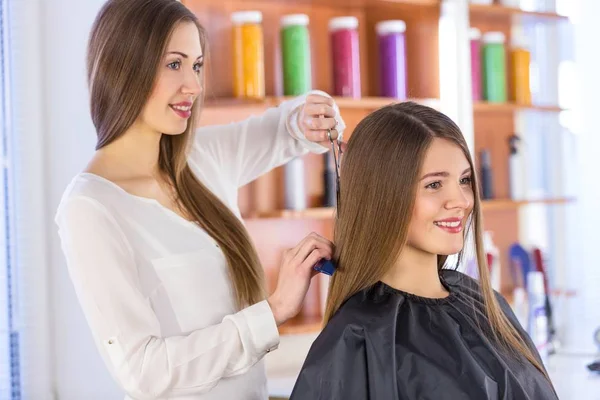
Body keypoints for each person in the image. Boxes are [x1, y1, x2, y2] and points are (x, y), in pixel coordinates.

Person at [54, 0, 345, 399]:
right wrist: (273, 312)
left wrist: (311, 116)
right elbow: (144, 371)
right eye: (174, 64)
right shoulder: (90, 208)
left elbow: (284, 127)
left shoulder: (201, 158)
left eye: (196, 65)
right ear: (122, 66)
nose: (193, 86)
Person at [290, 102, 558, 400]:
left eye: (464, 180)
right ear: (383, 195)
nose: (460, 200)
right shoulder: (359, 335)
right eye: (434, 184)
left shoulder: (484, 302)